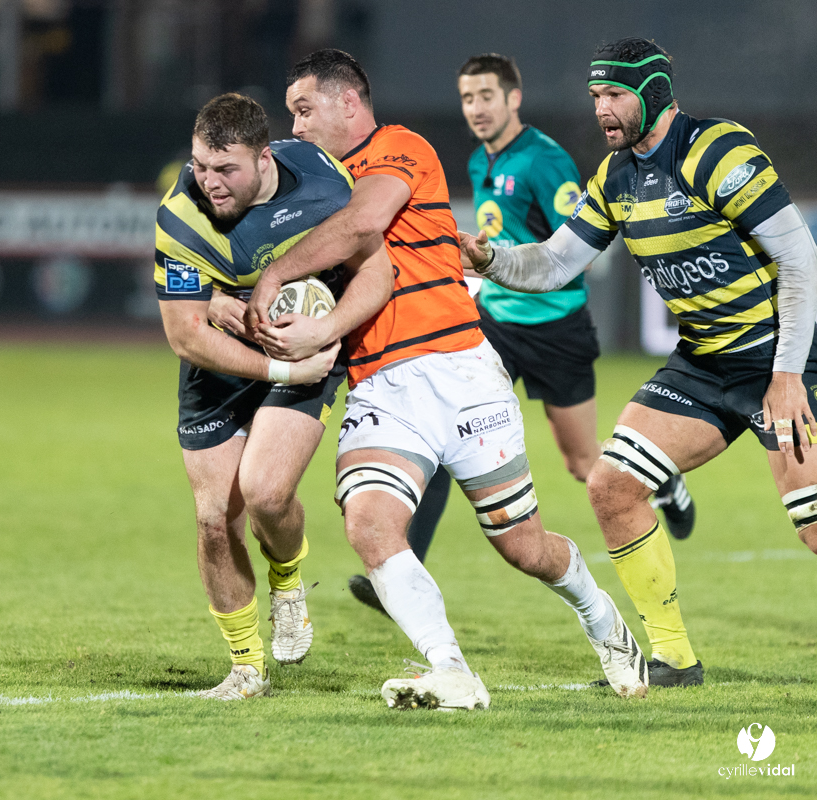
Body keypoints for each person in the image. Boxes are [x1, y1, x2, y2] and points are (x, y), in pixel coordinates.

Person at [244, 49, 650, 708]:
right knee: (370, 526)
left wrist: (277, 275)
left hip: (459, 368)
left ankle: (603, 620)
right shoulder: (305, 184)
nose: (293, 125)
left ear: (349, 103)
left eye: (303, 108)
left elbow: (363, 224)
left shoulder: (400, 147)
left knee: (523, 546)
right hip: (379, 383)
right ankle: (451, 670)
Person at [459, 37, 817, 688]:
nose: (602, 108)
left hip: (786, 356)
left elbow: (800, 259)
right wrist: (489, 260)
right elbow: (555, 262)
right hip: (707, 363)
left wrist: (789, 377)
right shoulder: (616, 177)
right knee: (613, 486)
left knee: (815, 526)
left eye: (615, 94)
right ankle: (673, 659)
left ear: (654, 92)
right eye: (595, 95)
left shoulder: (717, 151)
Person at [345, 52, 695, 617]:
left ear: (513, 98)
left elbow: (571, 241)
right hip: (499, 324)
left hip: (556, 327)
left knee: (585, 463)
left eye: (487, 96)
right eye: (467, 98)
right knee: (441, 425)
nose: (476, 108)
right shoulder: (484, 161)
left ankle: (665, 479)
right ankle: (408, 563)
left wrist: (510, 259)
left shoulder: (542, 159)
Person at [157, 92, 393, 699]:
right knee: (214, 521)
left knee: (264, 494)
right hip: (223, 366)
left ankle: (286, 580)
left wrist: (326, 332)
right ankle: (245, 667)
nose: (208, 182)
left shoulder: (322, 180)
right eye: (200, 166)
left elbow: (376, 271)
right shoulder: (182, 214)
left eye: (224, 169)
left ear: (264, 158)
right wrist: (265, 358)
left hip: (309, 354)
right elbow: (185, 335)